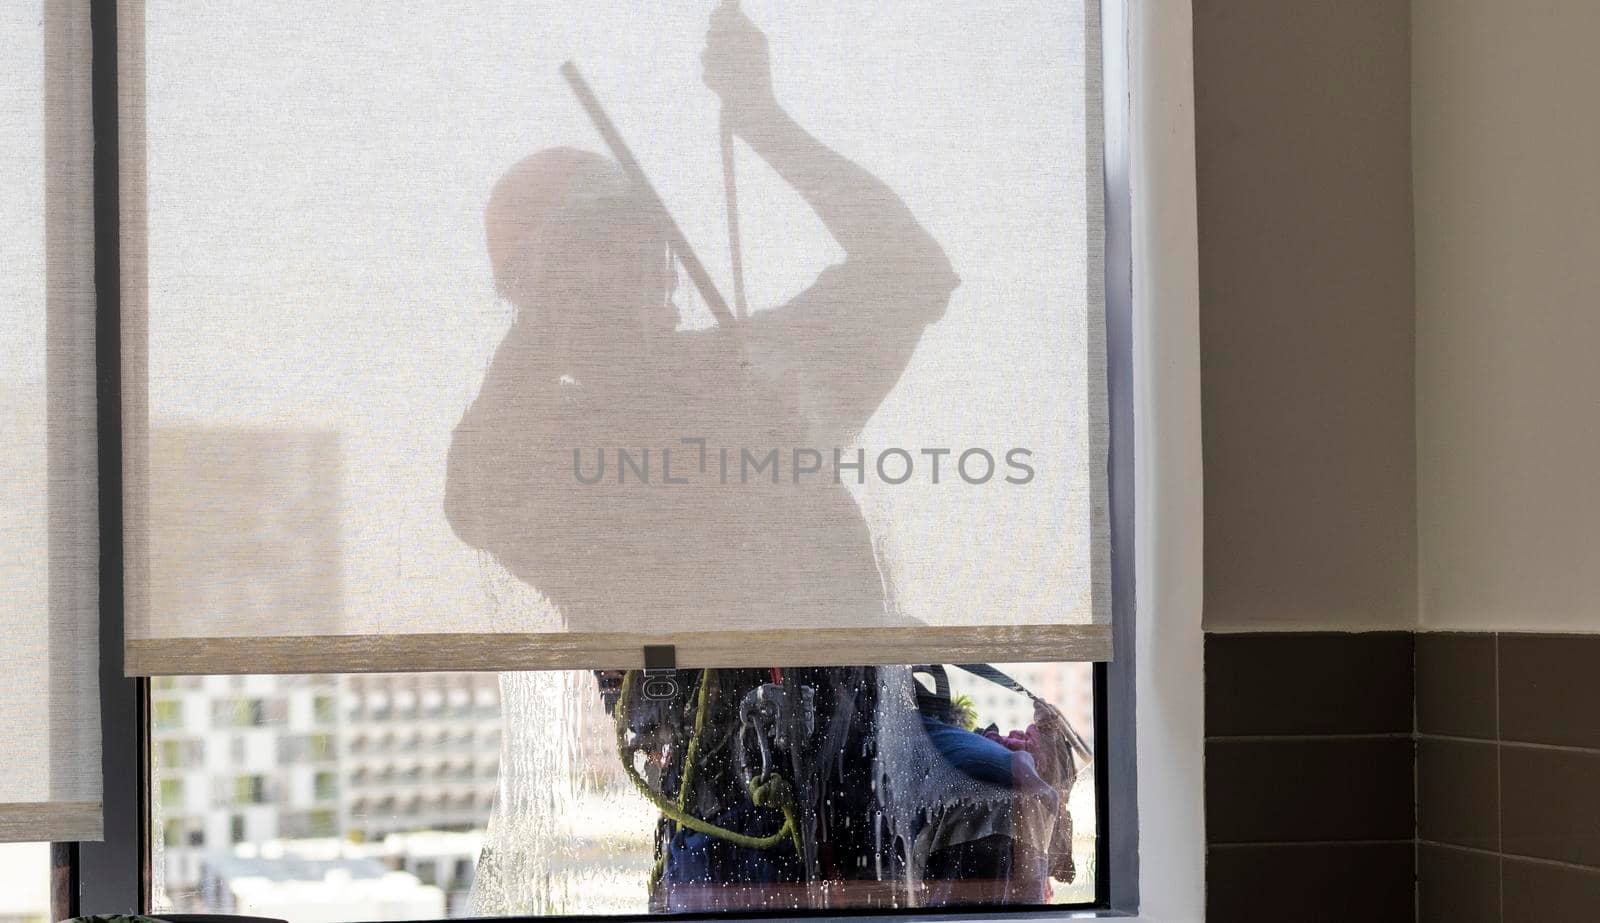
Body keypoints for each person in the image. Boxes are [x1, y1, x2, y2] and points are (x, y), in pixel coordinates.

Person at [446, 5, 1067, 912]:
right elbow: (474, 493)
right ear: (540, 296)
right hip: (740, 807)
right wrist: (548, 304)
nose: (641, 266)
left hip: (878, 759)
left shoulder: (744, 372)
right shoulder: (549, 454)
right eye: (600, 253)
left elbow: (909, 268)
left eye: (638, 242)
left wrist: (767, 120)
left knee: (997, 799)